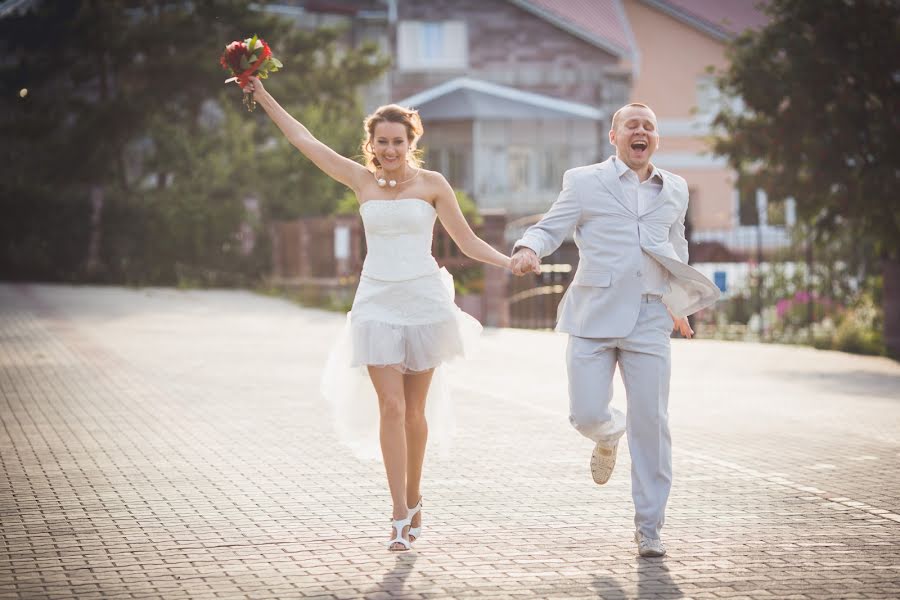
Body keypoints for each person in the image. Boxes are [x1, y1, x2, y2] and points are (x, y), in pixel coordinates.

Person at [245, 77, 512, 551]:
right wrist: (261, 92)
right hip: (375, 302)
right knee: (389, 406)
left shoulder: (433, 185)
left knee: (414, 412)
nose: (390, 150)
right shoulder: (359, 179)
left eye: (398, 141)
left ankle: (415, 496)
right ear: (371, 144)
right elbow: (303, 139)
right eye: (382, 142)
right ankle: (397, 514)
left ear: (412, 142)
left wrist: (511, 262)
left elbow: (467, 242)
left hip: (424, 302)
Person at [510, 103, 720, 557]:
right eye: (632, 125)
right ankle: (606, 433)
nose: (640, 131)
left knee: (652, 423)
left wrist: (679, 302)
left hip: (649, 317)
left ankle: (650, 527)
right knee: (585, 413)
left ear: (656, 140)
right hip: (593, 314)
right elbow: (551, 227)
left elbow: (675, 246)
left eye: (649, 125)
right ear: (614, 136)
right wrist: (529, 248)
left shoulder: (676, 188)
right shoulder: (585, 181)